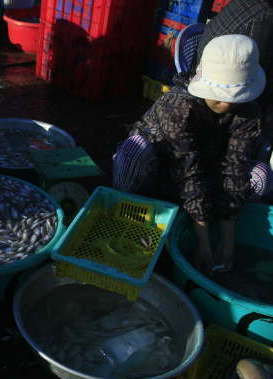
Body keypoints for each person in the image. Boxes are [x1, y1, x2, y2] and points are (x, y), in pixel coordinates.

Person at [112, 35, 272, 275]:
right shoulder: (177, 106)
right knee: (132, 152)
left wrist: (227, 243)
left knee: (261, 174)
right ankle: (128, 217)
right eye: (219, 95)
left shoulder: (248, 110)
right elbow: (187, 170)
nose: (226, 104)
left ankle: (217, 228)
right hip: (162, 172)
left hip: (209, 176)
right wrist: (203, 243)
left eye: (233, 97)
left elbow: (235, 168)